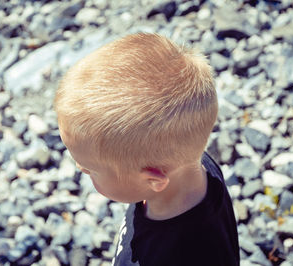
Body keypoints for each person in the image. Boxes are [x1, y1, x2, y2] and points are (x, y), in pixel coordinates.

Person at [54, 33, 240, 266]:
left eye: (90, 170)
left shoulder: (178, 255)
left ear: (153, 180)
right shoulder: (191, 165)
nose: (79, 167)